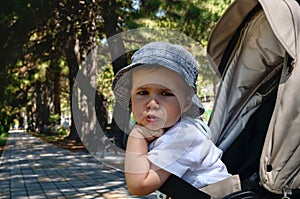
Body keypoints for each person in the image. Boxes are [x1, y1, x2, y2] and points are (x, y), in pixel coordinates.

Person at [112, 41, 241, 198]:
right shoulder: (172, 131)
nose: (152, 104)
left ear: (185, 104)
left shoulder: (182, 135)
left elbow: (139, 185)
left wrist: (136, 136)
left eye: (166, 93)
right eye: (143, 92)